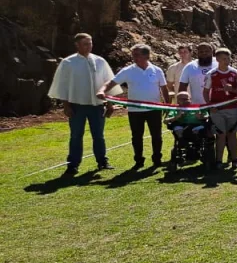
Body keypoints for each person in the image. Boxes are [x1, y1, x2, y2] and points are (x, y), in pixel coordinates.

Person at [48, 33, 118, 176]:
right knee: (76, 135)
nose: (89, 46)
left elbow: (108, 83)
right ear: (77, 45)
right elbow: (63, 85)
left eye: (90, 43)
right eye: (85, 44)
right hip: (77, 106)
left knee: (99, 135)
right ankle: (73, 165)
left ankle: (102, 161)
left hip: (97, 105)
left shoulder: (100, 61)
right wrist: (66, 106)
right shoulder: (68, 63)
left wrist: (110, 104)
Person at [97, 43, 168, 169]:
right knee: (136, 137)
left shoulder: (157, 70)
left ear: (147, 56)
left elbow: (164, 88)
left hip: (154, 109)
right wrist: (102, 90)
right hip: (135, 110)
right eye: (133, 55)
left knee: (157, 136)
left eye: (137, 55)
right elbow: (111, 82)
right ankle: (139, 160)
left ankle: (157, 159)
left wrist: (167, 105)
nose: (134, 57)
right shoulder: (128, 71)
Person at [203, 47, 237, 169]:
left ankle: (234, 160)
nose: (227, 61)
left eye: (228, 58)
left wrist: (232, 89)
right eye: (224, 59)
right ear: (217, 59)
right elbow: (205, 92)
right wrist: (210, 105)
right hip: (217, 110)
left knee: (232, 135)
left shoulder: (235, 73)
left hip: (233, 108)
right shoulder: (211, 74)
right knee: (220, 135)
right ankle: (218, 161)